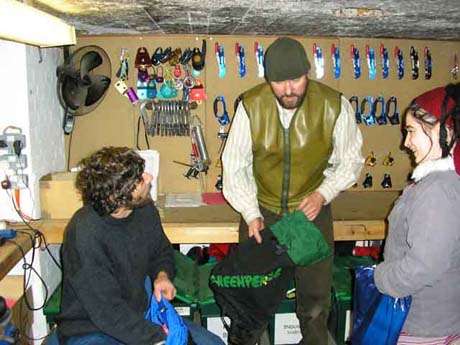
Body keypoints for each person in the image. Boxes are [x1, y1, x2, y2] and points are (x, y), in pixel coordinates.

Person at [222, 37, 364, 345]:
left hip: (308, 216)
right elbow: (234, 166)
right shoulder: (250, 106)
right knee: (251, 301)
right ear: (267, 79)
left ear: (308, 73)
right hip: (263, 215)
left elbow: (351, 161)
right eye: (279, 82)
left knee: (314, 306)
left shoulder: (334, 105)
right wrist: (250, 212)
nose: (288, 90)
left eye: (296, 80)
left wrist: (323, 194)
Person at [53, 147, 224, 345]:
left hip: (137, 316)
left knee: (212, 343)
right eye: (140, 179)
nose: (149, 177)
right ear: (119, 196)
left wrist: (162, 275)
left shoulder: (143, 209)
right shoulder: (84, 232)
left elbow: (161, 250)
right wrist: (158, 336)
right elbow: (107, 312)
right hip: (91, 329)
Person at [374, 84, 460, 344]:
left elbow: (423, 267)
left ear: (444, 131)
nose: (406, 143)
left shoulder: (437, 191)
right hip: (433, 321)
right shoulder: (438, 182)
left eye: (411, 132)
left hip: (425, 327)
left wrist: (379, 277)